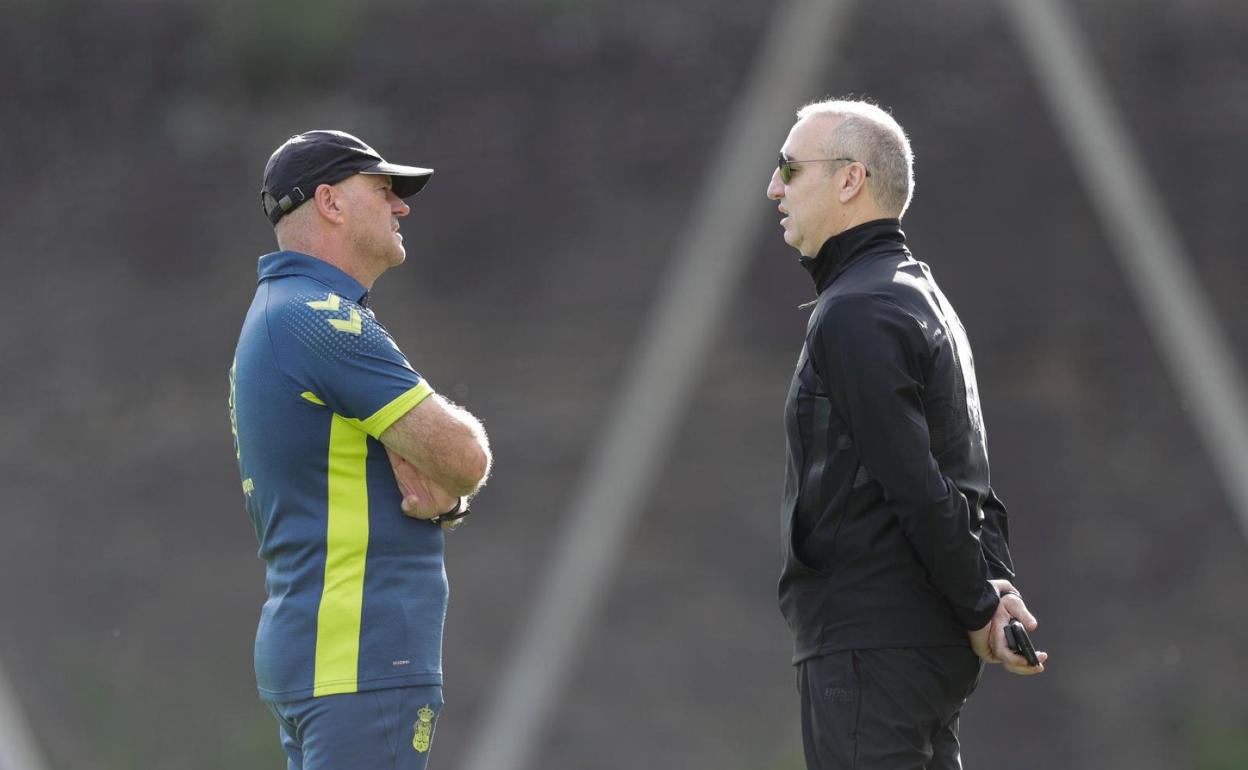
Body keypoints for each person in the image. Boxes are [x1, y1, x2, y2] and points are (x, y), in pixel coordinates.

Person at [765, 100, 1048, 770]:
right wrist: (993, 584)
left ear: (850, 180)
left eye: (787, 167)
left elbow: (917, 481)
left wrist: (982, 601)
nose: (774, 188)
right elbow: (963, 472)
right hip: (912, 647)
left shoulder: (856, 310)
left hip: (871, 652)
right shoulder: (921, 298)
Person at [229, 129, 492, 770]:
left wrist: (444, 502)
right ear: (330, 202)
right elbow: (463, 458)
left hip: (325, 652)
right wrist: (450, 483)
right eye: (383, 190)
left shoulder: (284, 310)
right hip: (360, 656)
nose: (401, 206)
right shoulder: (321, 318)